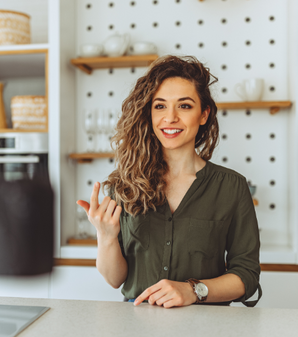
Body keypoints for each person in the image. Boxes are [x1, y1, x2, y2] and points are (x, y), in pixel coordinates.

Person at [77, 55, 261, 308]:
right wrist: (106, 236)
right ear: (149, 114)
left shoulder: (232, 187)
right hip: (137, 326)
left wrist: (193, 290)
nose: (170, 117)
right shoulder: (124, 185)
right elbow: (114, 279)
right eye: (160, 106)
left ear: (204, 114)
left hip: (208, 329)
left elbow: (247, 276)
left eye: (184, 106)